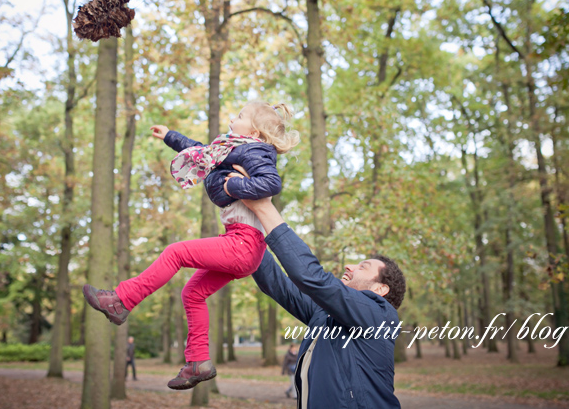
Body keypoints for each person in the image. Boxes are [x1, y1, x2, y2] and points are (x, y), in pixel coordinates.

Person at [82, 101, 300, 390]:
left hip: (244, 243)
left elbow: (271, 183)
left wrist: (231, 186)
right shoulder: (234, 148)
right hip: (243, 245)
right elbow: (203, 153)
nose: (233, 119)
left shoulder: (256, 151)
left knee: (176, 252)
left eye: (240, 116)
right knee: (193, 292)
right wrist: (171, 135)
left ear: (255, 132)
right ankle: (198, 361)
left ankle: (122, 301)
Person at [237, 192, 406, 409]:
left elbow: (312, 278)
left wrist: (263, 208)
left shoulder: (379, 314)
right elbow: (278, 284)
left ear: (380, 289)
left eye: (362, 267)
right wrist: (245, 227)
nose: (349, 266)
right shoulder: (324, 315)